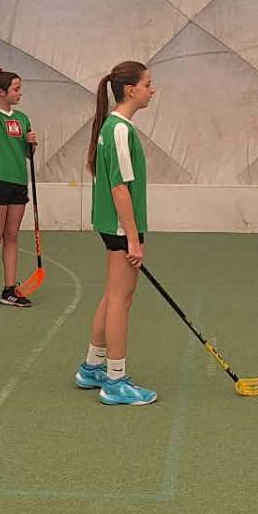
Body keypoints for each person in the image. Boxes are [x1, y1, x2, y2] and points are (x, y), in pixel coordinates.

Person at [78, 60, 160, 405]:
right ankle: (115, 381)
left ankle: (92, 367)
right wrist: (133, 238)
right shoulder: (120, 130)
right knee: (120, 300)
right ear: (130, 90)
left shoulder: (112, 127)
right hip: (120, 227)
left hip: (115, 226)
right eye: (147, 84)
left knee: (113, 295)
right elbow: (119, 188)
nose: (152, 90)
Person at [0, 67, 38, 310]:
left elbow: (28, 154)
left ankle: (10, 289)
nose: (20, 93)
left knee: (12, 236)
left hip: (18, 181)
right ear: (2, 92)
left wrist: (32, 144)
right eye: (16, 89)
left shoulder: (22, 118)